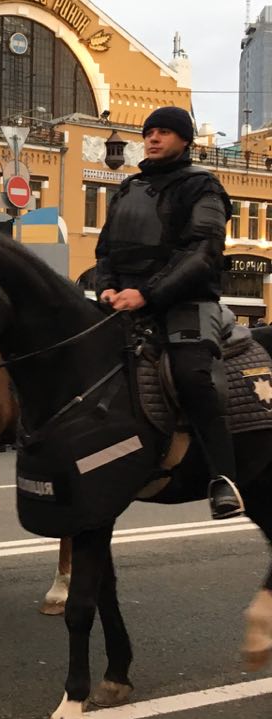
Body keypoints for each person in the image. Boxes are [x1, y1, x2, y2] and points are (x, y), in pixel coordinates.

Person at [95, 106, 241, 520]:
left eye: (163, 132)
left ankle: (223, 478)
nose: (153, 138)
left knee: (191, 376)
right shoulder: (129, 188)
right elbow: (106, 251)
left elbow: (202, 253)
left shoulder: (202, 186)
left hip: (187, 303)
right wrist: (106, 285)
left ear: (185, 140)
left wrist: (147, 294)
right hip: (125, 302)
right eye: (149, 132)